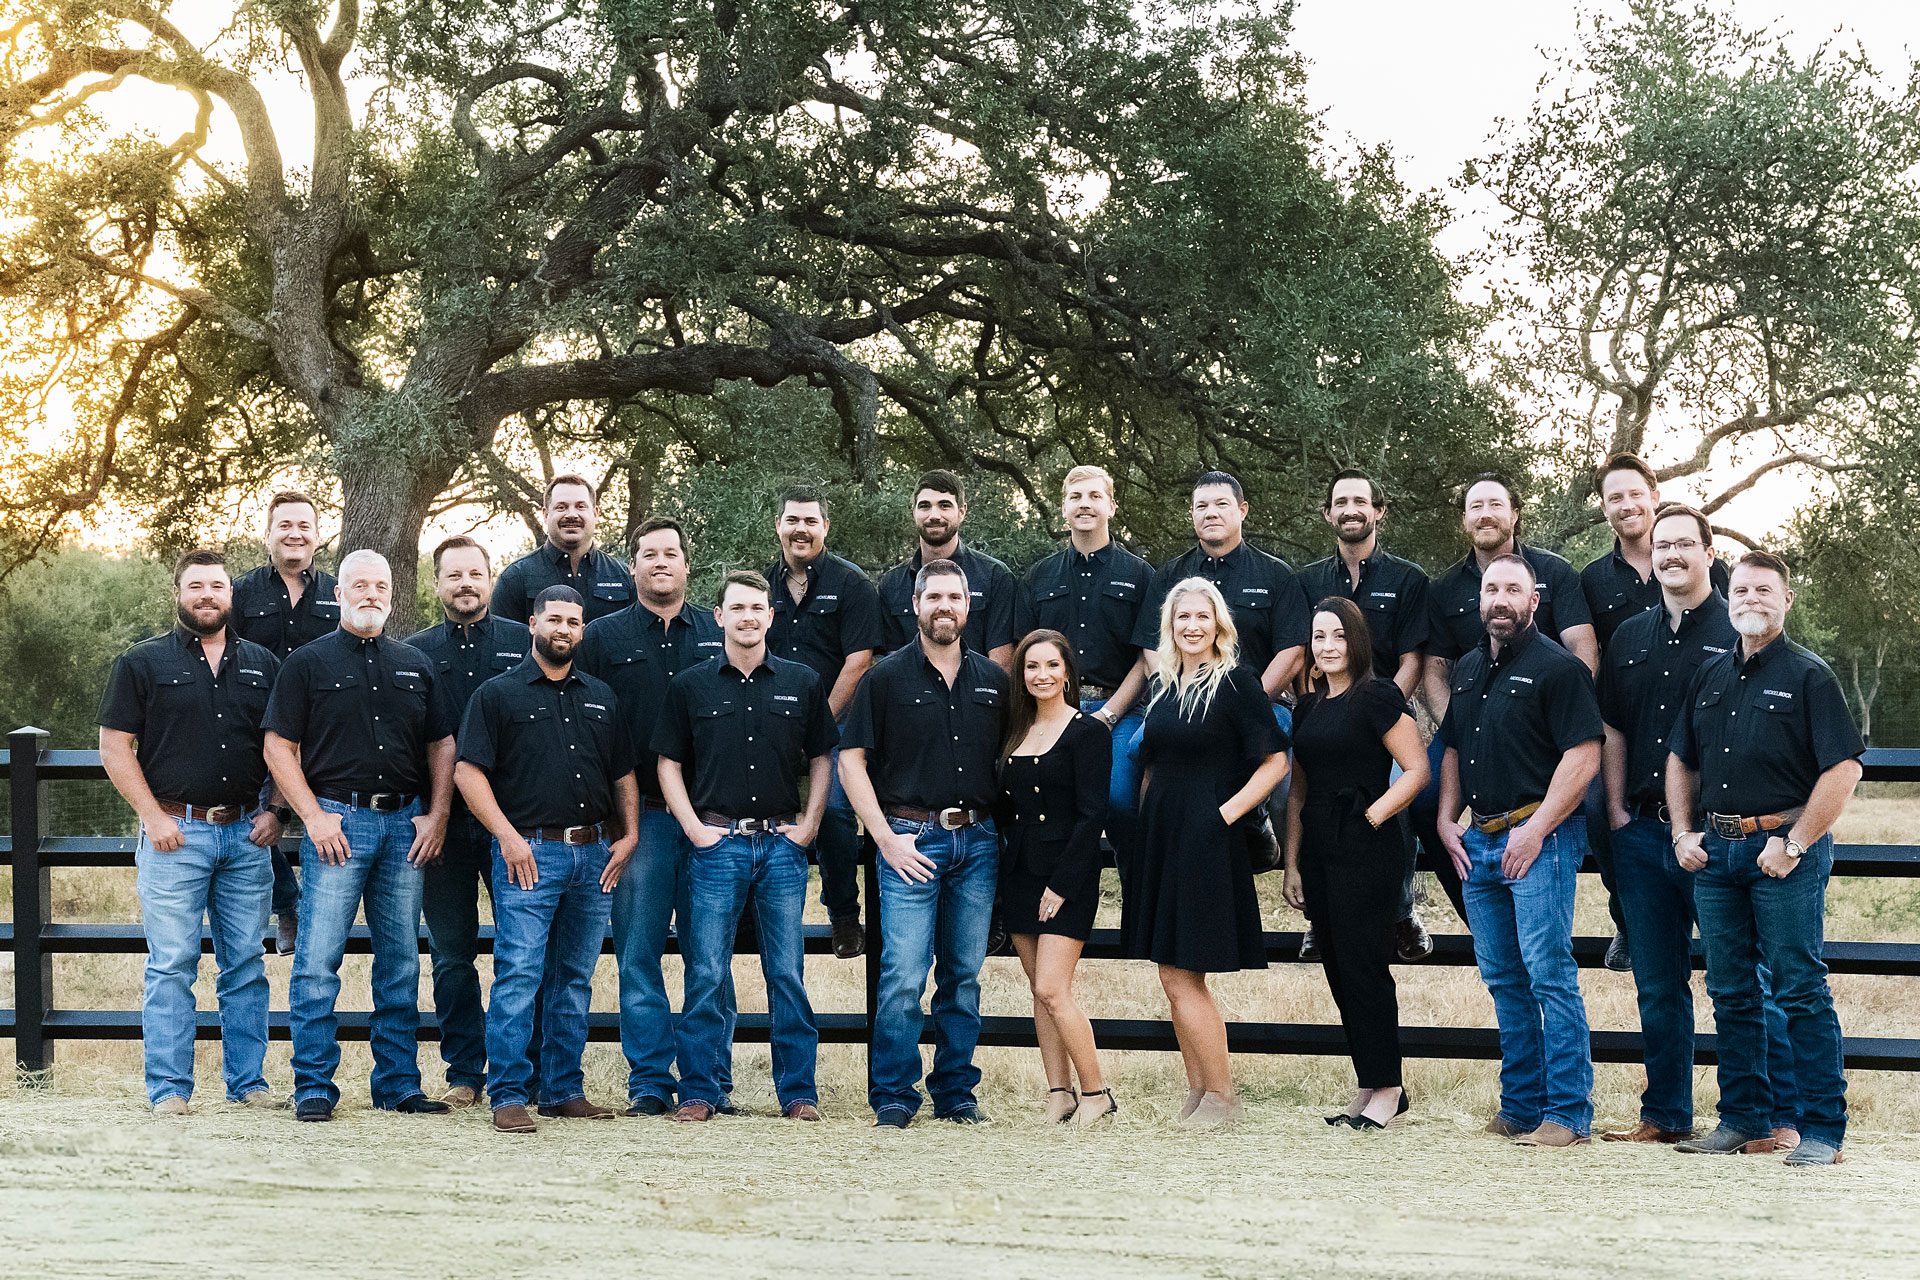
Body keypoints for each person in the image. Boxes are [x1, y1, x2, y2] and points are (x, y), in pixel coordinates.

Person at [1598, 506, 1799, 1148]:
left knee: (1745, 981)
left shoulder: (1739, 628)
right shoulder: (1629, 636)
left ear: (1710, 553)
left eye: (1686, 543)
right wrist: (1615, 811)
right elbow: (1612, 730)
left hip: (1717, 838)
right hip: (1642, 832)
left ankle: (1777, 1118)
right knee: (1658, 985)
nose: (1672, 554)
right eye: (1663, 545)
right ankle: (1665, 1115)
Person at [1667, 551, 1865, 1167]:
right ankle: (1743, 1120)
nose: (1751, 599)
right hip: (1716, 855)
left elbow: (1843, 769)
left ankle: (1823, 1131)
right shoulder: (1710, 674)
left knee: (1799, 988)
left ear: (1787, 601)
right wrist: (1682, 833)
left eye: (1764, 591)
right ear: (1729, 600)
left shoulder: (1810, 677)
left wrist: (1796, 843)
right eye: (1742, 590)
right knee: (1730, 992)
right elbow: (1680, 759)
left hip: (1783, 854)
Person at [262, 549, 457, 1123]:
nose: (371, 594)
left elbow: (443, 745)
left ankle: (397, 1084)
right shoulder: (306, 664)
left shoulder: (416, 664)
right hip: (337, 826)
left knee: (400, 961)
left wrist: (438, 815)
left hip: (406, 828)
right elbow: (278, 747)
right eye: (360, 585)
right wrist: (312, 817)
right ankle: (313, 1086)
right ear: (339, 594)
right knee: (318, 961)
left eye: (381, 586)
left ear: (392, 595)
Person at [98, 549, 288, 1115]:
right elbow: (114, 746)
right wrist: (152, 816)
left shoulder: (263, 664)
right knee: (172, 965)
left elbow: (284, 744)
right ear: (178, 594)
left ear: (231, 595)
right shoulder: (142, 662)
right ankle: (170, 1090)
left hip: (247, 836)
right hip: (174, 835)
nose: (208, 595)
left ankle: (248, 1084)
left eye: (217, 586)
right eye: (196, 586)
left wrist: (276, 811)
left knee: (246, 965)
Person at [655, 570, 839, 1122]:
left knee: (786, 973)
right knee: (706, 972)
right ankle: (700, 1091)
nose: (748, 617)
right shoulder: (690, 685)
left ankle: (798, 1094)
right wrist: (694, 829)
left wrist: (808, 826)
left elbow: (823, 759)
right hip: (717, 846)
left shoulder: (803, 682)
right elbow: (668, 763)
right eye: (737, 608)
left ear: (771, 616)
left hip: (782, 847)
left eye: (758, 607)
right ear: (719, 617)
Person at [455, 585, 640, 1134]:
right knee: (519, 973)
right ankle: (509, 1093)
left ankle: (562, 1089)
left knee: (575, 978)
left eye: (574, 622)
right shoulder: (497, 695)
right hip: (529, 854)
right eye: (554, 619)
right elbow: (467, 771)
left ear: (583, 629)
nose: (564, 629)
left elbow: (623, 773)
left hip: (594, 855)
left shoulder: (602, 696)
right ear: (533, 624)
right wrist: (508, 838)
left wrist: (629, 834)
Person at [1435, 553, 1602, 1148]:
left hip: (1540, 839)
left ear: (1534, 601)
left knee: (1549, 975)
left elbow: (1584, 755)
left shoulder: (1560, 669)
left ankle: (1567, 1115)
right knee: (1505, 979)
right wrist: (1445, 818)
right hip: (1479, 841)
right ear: (1479, 600)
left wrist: (1536, 832)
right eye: (1491, 589)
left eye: (1513, 589)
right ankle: (1520, 1107)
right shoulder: (1469, 667)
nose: (1500, 600)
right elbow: (1453, 747)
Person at [839, 558, 1010, 1128]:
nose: (944, 607)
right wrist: (885, 839)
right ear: (915, 605)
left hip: (978, 843)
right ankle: (893, 1093)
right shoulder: (884, 679)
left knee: (962, 977)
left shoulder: (994, 681)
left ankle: (956, 1093)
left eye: (954, 598)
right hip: (909, 841)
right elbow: (851, 762)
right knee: (904, 976)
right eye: (933, 597)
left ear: (968, 606)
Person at [575, 517, 730, 1116]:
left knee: (708, 957)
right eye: (648, 554)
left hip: (713, 821)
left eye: (670, 553)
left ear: (687, 565)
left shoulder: (718, 633)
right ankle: (649, 1082)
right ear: (632, 566)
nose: (660, 562)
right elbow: (583, 724)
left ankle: (709, 1081)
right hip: (641, 821)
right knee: (638, 953)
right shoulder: (602, 638)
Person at [1126, 577, 1290, 1129]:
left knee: (1184, 973)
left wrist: (1224, 814)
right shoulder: (1165, 686)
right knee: (1170, 971)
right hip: (1164, 836)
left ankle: (1222, 1095)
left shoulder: (1237, 682)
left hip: (1206, 838)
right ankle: (1198, 1090)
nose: (1192, 626)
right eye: (1182, 617)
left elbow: (1275, 762)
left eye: (1202, 616)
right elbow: (1152, 764)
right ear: (1170, 626)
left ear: (1219, 624)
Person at [1415, 474, 1597, 929]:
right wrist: (1466, 725)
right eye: (1475, 507)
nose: (1485, 514)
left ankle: (1625, 923)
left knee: (1598, 805)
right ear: (1464, 520)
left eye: (1495, 505)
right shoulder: (1444, 588)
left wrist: (1561, 720)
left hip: (1548, 723)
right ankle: (1482, 917)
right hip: (1470, 721)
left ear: (1515, 514)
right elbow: (1434, 670)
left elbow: (1583, 649)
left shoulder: (1555, 573)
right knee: (1423, 801)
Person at [1281, 598, 1429, 1131]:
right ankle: (1369, 1083)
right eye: (1319, 636)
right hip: (1319, 847)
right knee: (1339, 968)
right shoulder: (1307, 707)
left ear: (1357, 641)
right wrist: (1291, 863)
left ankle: (1389, 1088)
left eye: (1339, 635)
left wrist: (1372, 817)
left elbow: (1416, 770)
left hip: (1367, 846)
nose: (1328, 646)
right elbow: (1297, 791)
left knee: (1365, 965)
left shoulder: (1377, 696)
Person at [1580, 455, 1729, 972]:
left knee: (1737, 973)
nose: (1626, 505)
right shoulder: (1594, 581)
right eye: (1614, 497)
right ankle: (1627, 916)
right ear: (1603, 508)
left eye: (1634, 493)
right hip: (1634, 736)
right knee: (1598, 806)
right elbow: (1587, 659)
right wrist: (1618, 809)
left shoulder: (1723, 603)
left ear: (1654, 495)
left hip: (1711, 792)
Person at [406, 535, 532, 1108]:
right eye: (453, 575)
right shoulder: (415, 653)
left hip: (515, 824)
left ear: (490, 578)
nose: (465, 584)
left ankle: (523, 1068)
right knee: (452, 953)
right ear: (437, 584)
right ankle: (464, 1071)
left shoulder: (523, 642)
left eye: (475, 574)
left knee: (522, 953)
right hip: (443, 828)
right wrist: (427, 813)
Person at [1292, 469, 1434, 964]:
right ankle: (1320, 915)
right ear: (1327, 513)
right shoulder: (1307, 581)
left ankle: (1400, 912)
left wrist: (1375, 708)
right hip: (1323, 713)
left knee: (1400, 795)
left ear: (1379, 511)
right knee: (1301, 795)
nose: (1350, 510)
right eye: (1341, 502)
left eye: (1360, 501)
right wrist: (1323, 710)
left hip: (1386, 716)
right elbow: (1301, 654)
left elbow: (1414, 659)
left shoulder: (1408, 579)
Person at [993, 629, 1116, 1127]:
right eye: (1031, 666)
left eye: (1051, 665)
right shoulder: (1013, 732)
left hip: (1068, 876)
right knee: (1037, 989)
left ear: (1067, 673)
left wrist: (1061, 885)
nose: (1041, 675)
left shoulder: (1089, 733)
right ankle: (1059, 1093)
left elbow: (1092, 816)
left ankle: (1098, 1094)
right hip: (1020, 873)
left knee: (1052, 988)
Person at [763, 484, 884, 959]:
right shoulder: (761, 587)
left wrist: (815, 728)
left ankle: (843, 914)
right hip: (767, 726)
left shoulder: (852, 585)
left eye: (811, 521)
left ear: (825, 527)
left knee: (833, 810)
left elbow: (858, 663)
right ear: (778, 525)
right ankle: (753, 914)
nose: (801, 529)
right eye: (792, 520)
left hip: (834, 727)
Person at [231, 490, 339, 955]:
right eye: (285, 525)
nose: (295, 534)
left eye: (303, 526)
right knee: (259, 816)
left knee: (336, 814)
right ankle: (287, 905)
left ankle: (323, 919)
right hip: (259, 730)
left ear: (317, 535)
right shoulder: (240, 592)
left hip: (325, 731)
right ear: (268, 533)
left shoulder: (338, 592)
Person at [1022, 465, 1152, 827]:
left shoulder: (1140, 575)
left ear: (1111, 506)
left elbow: (1146, 657)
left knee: (1119, 799)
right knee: (1051, 808)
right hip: (1052, 711)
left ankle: (1133, 866)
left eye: (1095, 496)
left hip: (1121, 713)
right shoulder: (1038, 577)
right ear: (1063, 508)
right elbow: (1024, 654)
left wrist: (1108, 715)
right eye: (1075, 497)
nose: (1085, 504)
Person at [875, 469, 1022, 669]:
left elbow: (1001, 662)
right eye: (925, 506)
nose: (934, 515)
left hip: (977, 688)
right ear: (914, 512)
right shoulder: (891, 584)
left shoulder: (995, 576)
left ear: (962, 512)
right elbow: (891, 662)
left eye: (944, 505)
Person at [491, 474, 636, 627]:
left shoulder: (623, 577)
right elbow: (501, 638)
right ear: (546, 515)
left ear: (595, 514)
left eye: (580, 506)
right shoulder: (515, 578)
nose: (572, 515)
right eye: (561, 507)